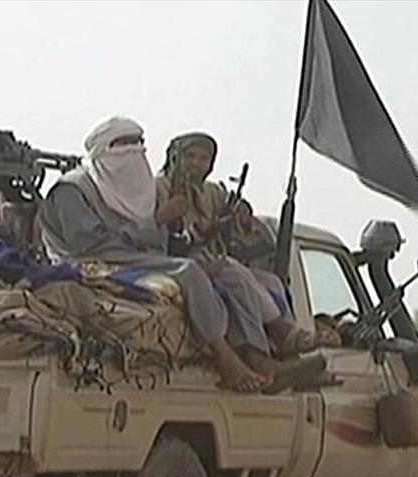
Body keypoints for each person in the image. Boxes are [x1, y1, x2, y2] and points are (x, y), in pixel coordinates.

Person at [37, 116, 270, 392]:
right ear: (103, 149)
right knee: (188, 271)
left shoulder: (132, 185)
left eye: (138, 143)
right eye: (123, 144)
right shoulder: (73, 189)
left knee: (224, 273)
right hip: (88, 261)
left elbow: (154, 241)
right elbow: (89, 244)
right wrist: (156, 221)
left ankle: (263, 352)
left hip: (128, 255)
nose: (133, 151)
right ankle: (225, 357)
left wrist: (176, 231)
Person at [156, 132, 304, 368]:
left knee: (272, 283)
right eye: (190, 156)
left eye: (203, 159)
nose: (196, 164)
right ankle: (260, 350)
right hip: (174, 260)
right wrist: (189, 230)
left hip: (211, 257)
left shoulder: (211, 191)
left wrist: (241, 215)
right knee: (235, 275)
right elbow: (153, 231)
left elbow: (238, 218)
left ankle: (288, 352)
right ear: (175, 157)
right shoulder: (159, 187)